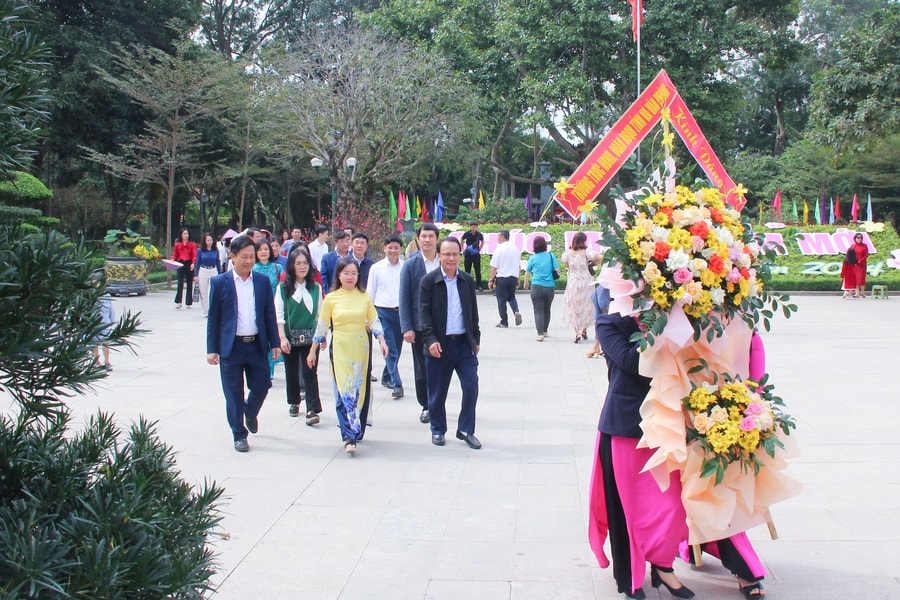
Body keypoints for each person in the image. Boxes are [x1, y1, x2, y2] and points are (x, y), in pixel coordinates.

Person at [589, 312, 694, 599]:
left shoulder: (673, 315)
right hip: (625, 425)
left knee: (672, 506)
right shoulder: (609, 323)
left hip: (666, 424)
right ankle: (629, 577)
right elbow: (630, 361)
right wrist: (662, 329)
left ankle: (663, 565)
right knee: (626, 510)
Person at [206, 235, 281, 453]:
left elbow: (269, 313)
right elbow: (214, 318)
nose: (249, 261)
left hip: (256, 345)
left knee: (262, 385)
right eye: (244, 257)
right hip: (231, 347)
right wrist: (212, 349)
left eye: (252, 256)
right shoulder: (220, 283)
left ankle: (250, 411)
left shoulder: (261, 281)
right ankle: (239, 433)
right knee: (233, 393)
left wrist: (274, 342)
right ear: (232, 257)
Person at [308, 257, 388, 455]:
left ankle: (356, 428)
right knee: (344, 389)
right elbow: (322, 325)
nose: (350, 277)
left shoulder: (364, 297)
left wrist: (381, 340)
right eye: (346, 273)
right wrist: (312, 350)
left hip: (361, 347)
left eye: (354, 273)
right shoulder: (332, 298)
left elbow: (374, 320)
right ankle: (348, 436)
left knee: (359, 388)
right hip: (341, 347)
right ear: (339, 275)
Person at [420, 237, 482, 449]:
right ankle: (438, 429)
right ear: (439, 255)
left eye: (455, 254)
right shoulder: (428, 281)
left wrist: (476, 338)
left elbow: (473, 311)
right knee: (437, 392)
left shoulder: (466, 280)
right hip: (439, 345)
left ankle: (465, 429)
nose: (451, 258)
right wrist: (430, 340)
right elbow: (424, 315)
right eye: (446, 254)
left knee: (471, 385)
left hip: (464, 344)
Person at [399, 222, 441, 424]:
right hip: (419, 326)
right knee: (422, 367)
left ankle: (437, 402)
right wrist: (406, 327)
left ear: (437, 239)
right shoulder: (411, 264)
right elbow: (404, 297)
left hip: (443, 325)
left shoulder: (445, 262)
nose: (427, 240)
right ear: (418, 239)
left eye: (431, 236)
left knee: (442, 366)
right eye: (423, 236)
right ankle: (426, 405)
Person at [276, 247, 323, 425]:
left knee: (310, 371)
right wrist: (282, 337)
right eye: (298, 264)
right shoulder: (283, 288)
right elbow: (279, 314)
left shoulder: (316, 288)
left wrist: (321, 337)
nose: (302, 267)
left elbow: (320, 315)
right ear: (291, 266)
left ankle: (312, 408)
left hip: (310, 336)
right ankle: (294, 401)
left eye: (305, 263)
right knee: (292, 371)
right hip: (290, 336)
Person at [367, 235, 405, 398]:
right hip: (383, 312)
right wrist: (368, 317)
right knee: (390, 348)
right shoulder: (376, 268)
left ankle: (386, 376)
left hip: (402, 313)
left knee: (397, 347)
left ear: (400, 249)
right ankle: (397, 384)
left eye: (396, 247)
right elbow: (370, 292)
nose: (393, 250)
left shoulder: (406, 267)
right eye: (390, 247)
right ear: (384, 248)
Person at [561, 232, 600, 343]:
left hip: (573, 283)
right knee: (586, 306)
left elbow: (567, 266)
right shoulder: (586, 252)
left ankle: (577, 332)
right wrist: (592, 263)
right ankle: (584, 330)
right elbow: (599, 257)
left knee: (574, 308)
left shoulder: (568, 253)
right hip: (586, 283)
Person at [523, 236, 559, 342]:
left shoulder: (532, 258)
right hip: (549, 287)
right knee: (547, 309)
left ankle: (540, 334)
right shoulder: (550, 255)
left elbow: (527, 272)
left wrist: (525, 283)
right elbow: (557, 269)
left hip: (536, 286)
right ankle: (545, 330)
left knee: (538, 310)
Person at [488, 229, 522, 328]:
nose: (497, 238)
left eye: (498, 236)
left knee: (501, 300)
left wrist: (491, 280)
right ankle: (516, 311)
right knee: (511, 297)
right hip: (513, 278)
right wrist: (518, 279)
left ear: (502, 237)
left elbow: (494, 267)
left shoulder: (498, 250)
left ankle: (504, 321)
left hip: (502, 278)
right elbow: (519, 266)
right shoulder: (516, 249)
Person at [195, 232, 222, 316]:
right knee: (203, 292)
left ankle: (212, 309)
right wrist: (196, 275)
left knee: (212, 290)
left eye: (211, 240)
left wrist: (220, 274)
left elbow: (218, 262)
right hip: (203, 270)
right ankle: (205, 310)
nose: (209, 242)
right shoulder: (200, 251)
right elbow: (198, 263)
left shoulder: (216, 250)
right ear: (205, 241)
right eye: (208, 240)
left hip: (213, 270)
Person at [172, 228, 197, 309]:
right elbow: (175, 255)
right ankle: (179, 301)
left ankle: (188, 302)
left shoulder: (192, 244)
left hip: (189, 263)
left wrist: (193, 263)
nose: (186, 235)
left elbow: (194, 255)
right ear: (181, 235)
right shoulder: (177, 244)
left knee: (190, 283)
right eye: (184, 234)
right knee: (180, 283)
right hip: (180, 263)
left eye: (187, 234)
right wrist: (173, 259)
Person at [585, 282, 611, 358]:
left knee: (601, 317)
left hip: (601, 291)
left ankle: (597, 346)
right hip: (606, 291)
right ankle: (598, 346)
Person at [92, 287, 115, 371]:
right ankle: (96, 361)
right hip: (93, 323)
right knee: (94, 343)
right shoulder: (91, 295)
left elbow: (111, 308)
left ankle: (107, 362)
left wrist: (112, 320)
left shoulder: (106, 295)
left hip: (104, 323)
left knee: (105, 342)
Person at [461, 221, 485, 290]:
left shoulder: (479, 234)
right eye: (472, 227)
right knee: (467, 270)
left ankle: (479, 285)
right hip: (468, 253)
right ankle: (467, 285)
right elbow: (462, 239)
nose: (473, 228)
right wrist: (462, 248)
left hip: (476, 254)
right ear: (470, 227)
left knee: (477, 270)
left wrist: (480, 248)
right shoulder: (467, 233)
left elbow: (482, 241)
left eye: (475, 227)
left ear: (477, 227)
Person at [850, 232, 869, 298]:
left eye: (861, 238)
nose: (859, 239)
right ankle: (857, 293)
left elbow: (866, 254)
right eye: (858, 237)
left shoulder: (864, 245)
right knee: (856, 278)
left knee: (861, 278)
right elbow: (850, 254)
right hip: (855, 264)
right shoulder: (853, 246)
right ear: (855, 238)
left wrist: (860, 260)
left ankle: (863, 293)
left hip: (862, 264)